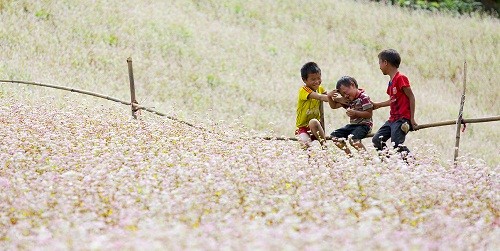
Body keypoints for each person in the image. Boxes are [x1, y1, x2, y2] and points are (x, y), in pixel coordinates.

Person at [371, 49, 418, 156]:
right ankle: (389, 164)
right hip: (392, 120)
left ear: (385, 63)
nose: (379, 66)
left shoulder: (401, 78)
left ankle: (412, 164)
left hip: (401, 119)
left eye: (380, 63)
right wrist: (378, 105)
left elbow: (411, 97)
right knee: (377, 140)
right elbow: (393, 100)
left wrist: (411, 118)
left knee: (397, 144)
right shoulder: (391, 82)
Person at [327, 76, 373, 156]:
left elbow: (369, 114)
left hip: (364, 126)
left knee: (353, 139)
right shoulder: (349, 100)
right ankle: (349, 156)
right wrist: (329, 97)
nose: (345, 96)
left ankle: (367, 158)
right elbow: (334, 106)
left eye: (345, 92)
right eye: (342, 94)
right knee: (334, 136)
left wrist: (355, 113)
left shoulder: (363, 97)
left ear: (352, 85)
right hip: (353, 126)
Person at [295, 62, 330, 149]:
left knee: (313, 122)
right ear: (304, 80)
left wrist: (342, 100)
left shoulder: (320, 89)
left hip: (316, 127)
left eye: (319, 78)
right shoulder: (303, 90)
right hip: (303, 128)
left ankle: (325, 148)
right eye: (313, 79)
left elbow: (330, 99)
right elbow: (321, 97)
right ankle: (312, 160)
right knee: (305, 143)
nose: (317, 81)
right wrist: (331, 97)